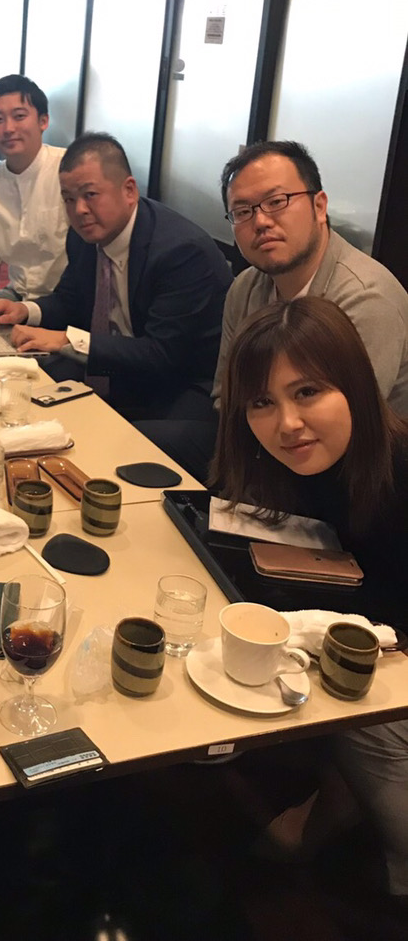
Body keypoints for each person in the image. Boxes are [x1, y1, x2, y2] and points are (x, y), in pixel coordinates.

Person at [212, 296, 408, 906]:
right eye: (262, 402)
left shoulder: (399, 473)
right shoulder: (285, 470)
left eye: (307, 392)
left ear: (354, 382)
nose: (288, 423)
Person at [140, 139, 408, 479]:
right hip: (264, 441)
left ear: (319, 207)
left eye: (276, 202)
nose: (261, 221)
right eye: (243, 211)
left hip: (354, 471)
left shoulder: (365, 298)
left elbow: (345, 429)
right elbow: (226, 396)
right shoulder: (245, 287)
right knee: (136, 442)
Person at [0, 132, 232, 421]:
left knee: (120, 439)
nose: (79, 210)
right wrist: (25, 310)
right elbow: (70, 299)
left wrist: (67, 339)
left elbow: (161, 353)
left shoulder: (180, 251)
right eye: (68, 199)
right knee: (18, 388)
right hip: (119, 366)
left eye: (90, 195)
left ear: (129, 190)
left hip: (182, 384)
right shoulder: (84, 236)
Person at [0, 74, 67, 315]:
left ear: (43, 121)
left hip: (66, 303)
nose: (8, 129)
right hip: (16, 297)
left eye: (19, 116)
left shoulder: (68, 172)